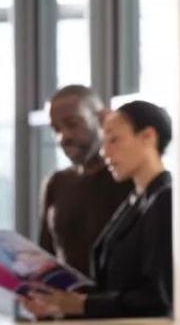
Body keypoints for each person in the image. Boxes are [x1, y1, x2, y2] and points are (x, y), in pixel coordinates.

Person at [21, 101, 173, 320]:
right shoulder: (135, 201)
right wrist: (56, 303)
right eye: (103, 142)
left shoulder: (164, 199)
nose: (105, 152)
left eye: (114, 140)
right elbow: (111, 287)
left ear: (148, 137)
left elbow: (156, 298)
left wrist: (80, 304)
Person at [38, 85, 132, 276]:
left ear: (102, 119)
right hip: (65, 304)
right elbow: (45, 257)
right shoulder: (56, 183)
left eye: (73, 124)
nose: (63, 137)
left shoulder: (130, 181)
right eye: (55, 129)